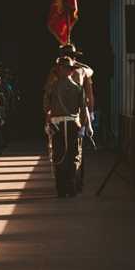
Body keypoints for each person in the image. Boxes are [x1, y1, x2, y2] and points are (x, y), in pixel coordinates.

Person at [43, 56, 86, 198]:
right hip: (73, 123)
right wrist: (84, 126)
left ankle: (61, 188)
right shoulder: (78, 88)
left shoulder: (52, 88)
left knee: (59, 155)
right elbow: (83, 108)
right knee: (73, 155)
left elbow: (46, 107)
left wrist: (48, 123)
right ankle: (71, 186)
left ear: (59, 70)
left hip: (57, 124)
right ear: (71, 71)